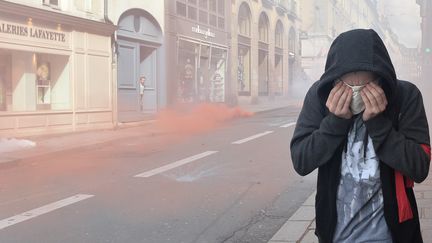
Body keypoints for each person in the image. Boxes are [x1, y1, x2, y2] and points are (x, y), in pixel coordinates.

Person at [290, 29, 431, 243]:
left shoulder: (404, 96)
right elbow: (301, 161)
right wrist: (335, 122)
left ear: (380, 78)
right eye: (347, 86)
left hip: (393, 235)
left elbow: (419, 167)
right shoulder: (320, 96)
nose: (355, 92)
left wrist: (378, 124)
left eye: (365, 86)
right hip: (335, 235)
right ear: (335, 79)